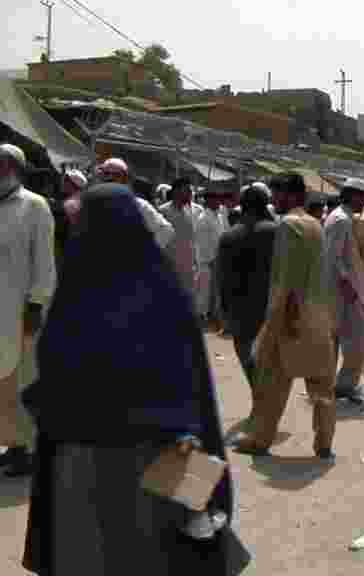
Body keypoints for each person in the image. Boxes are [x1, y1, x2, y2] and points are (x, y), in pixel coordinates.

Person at [20, 183, 245, 576]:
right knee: (151, 557)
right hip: (159, 458)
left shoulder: (74, 296)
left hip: (78, 458)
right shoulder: (167, 295)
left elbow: (51, 377)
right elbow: (196, 393)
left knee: (84, 553)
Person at [234, 173, 337, 459]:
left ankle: (258, 439)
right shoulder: (315, 224)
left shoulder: (288, 225)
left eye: (276, 194)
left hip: (292, 316)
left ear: (290, 195)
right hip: (318, 316)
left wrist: (279, 319)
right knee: (321, 385)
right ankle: (324, 443)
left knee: (271, 382)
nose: (272, 200)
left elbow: (284, 278)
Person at [0, 143, 56, 478]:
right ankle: (12, 445)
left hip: (21, 311)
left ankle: (29, 450)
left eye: (4, 164)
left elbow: (45, 265)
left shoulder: (35, 206)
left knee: (23, 383)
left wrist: (36, 304)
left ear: (17, 169)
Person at [217, 185, 277, 418]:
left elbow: (222, 279)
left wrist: (225, 312)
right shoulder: (275, 231)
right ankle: (267, 402)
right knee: (270, 360)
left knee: (247, 358)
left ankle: (259, 400)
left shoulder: (229, 235)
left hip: (240, 309)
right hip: (271, 307)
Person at [323, 177, 364, 404]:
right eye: (363, 197)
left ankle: (340, 386)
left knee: (350, 341)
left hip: (347, 290)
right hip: (343, 292)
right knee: (358, 339)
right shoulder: (340, 220)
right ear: (353, 195)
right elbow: (332, 257)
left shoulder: (345, 218)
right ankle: (339, 386)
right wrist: (347, 285)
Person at [96, 158, 174, 248]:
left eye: (113, 177)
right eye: (105, 175)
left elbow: (166, 230)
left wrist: (145, 251)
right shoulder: (93, 204)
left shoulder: (139, 205)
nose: (107, 180)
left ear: (123, 179)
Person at [160, 178, 202, 297]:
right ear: (176, 191)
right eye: (187, 190)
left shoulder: (193, 211)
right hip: (170, 267)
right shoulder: (163, 211)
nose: (190, 194)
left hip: (189, 268)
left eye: (191, 191)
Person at [195, 192, 226, 328]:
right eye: (216, 199)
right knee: (205, 292)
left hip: (218, 260)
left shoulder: (218, 216)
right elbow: (202, 243)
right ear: (209, 201)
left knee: (215, 293)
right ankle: (203, 318)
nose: (219, 202)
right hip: (207, 262)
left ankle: (213, 317)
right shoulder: (203, 218)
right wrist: (210, 259)